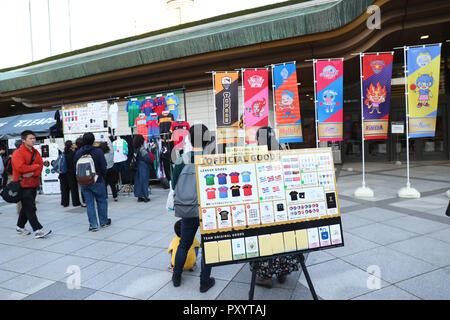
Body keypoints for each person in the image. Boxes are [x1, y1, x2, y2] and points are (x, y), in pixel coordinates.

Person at [250, 126, 302, 288]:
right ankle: (283, 271)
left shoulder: (254, 157)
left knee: (264, 239)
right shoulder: (284, 155)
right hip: (284, 207)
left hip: (263, 208)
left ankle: (264, 276)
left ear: (258, 139)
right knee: (285, 238)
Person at [171, 124, 215, 293]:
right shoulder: (211, 158)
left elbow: (175, 184)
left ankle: (176, 276)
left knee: (184, 243)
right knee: (209, 245)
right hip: (208, 209)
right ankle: (204, 282)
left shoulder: (181, 159)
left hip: (188, 208)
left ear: (189, 138)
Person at [12, 130, 52, 238]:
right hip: (22, 185)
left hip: (33, 183)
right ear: (23, 140)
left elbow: (41, 165)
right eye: (30, 138)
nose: (33, 140)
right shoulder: (17, 153)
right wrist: (34, 168)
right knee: (30, 207)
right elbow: (20, 167)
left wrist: (32, 172)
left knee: (26, 207)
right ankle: (37, 230)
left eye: (34, 138)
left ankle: (20, 226)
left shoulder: (35, 152)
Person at [74, 132, 111, 232]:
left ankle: (93, 225)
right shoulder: (98, 151)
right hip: (97, 180)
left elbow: (75, 168)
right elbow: (103, 166)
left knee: (89, 204)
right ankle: (103, 222)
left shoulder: (78, 153)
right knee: (101, 201)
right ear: (93, 140)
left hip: (84, 181)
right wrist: (103, 176)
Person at [59, 140, 81, 207]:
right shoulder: (73, 153)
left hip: (63, 173)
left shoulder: (63, 153)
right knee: (73, 188)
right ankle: (76, 202)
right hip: (71, 173)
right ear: (71, 145)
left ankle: (65, 203)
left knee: (64, 189)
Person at [133, 134, 152, 203]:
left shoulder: (135, 148)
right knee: (144, 181)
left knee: (138, 181)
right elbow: (147, 158)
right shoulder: (142, 148)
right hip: (143, 166)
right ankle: (146, 197)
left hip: (137, 165)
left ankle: (139, 196)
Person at [74, 138, 87, 207]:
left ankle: (85, 202)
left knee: (83, 188)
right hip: (89, 171)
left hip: (81, 172)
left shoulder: (77, 153)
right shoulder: (88, 151)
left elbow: (75, 164)